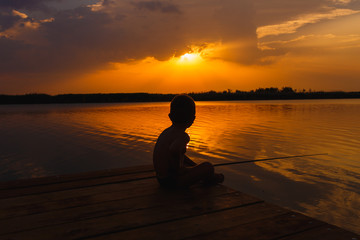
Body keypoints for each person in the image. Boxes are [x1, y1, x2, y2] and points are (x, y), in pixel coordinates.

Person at [153, 94, 224, 188]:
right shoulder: (183, 136)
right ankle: (213, 178)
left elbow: (174, 152)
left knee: (195, 166)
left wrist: (193, 165)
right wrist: (180, 169)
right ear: (192, 119)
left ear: (170, 116)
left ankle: (206, 176)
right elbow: (174, 149)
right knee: (208, 167)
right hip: (173, 182)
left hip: (161, 179)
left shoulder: (166, 132)